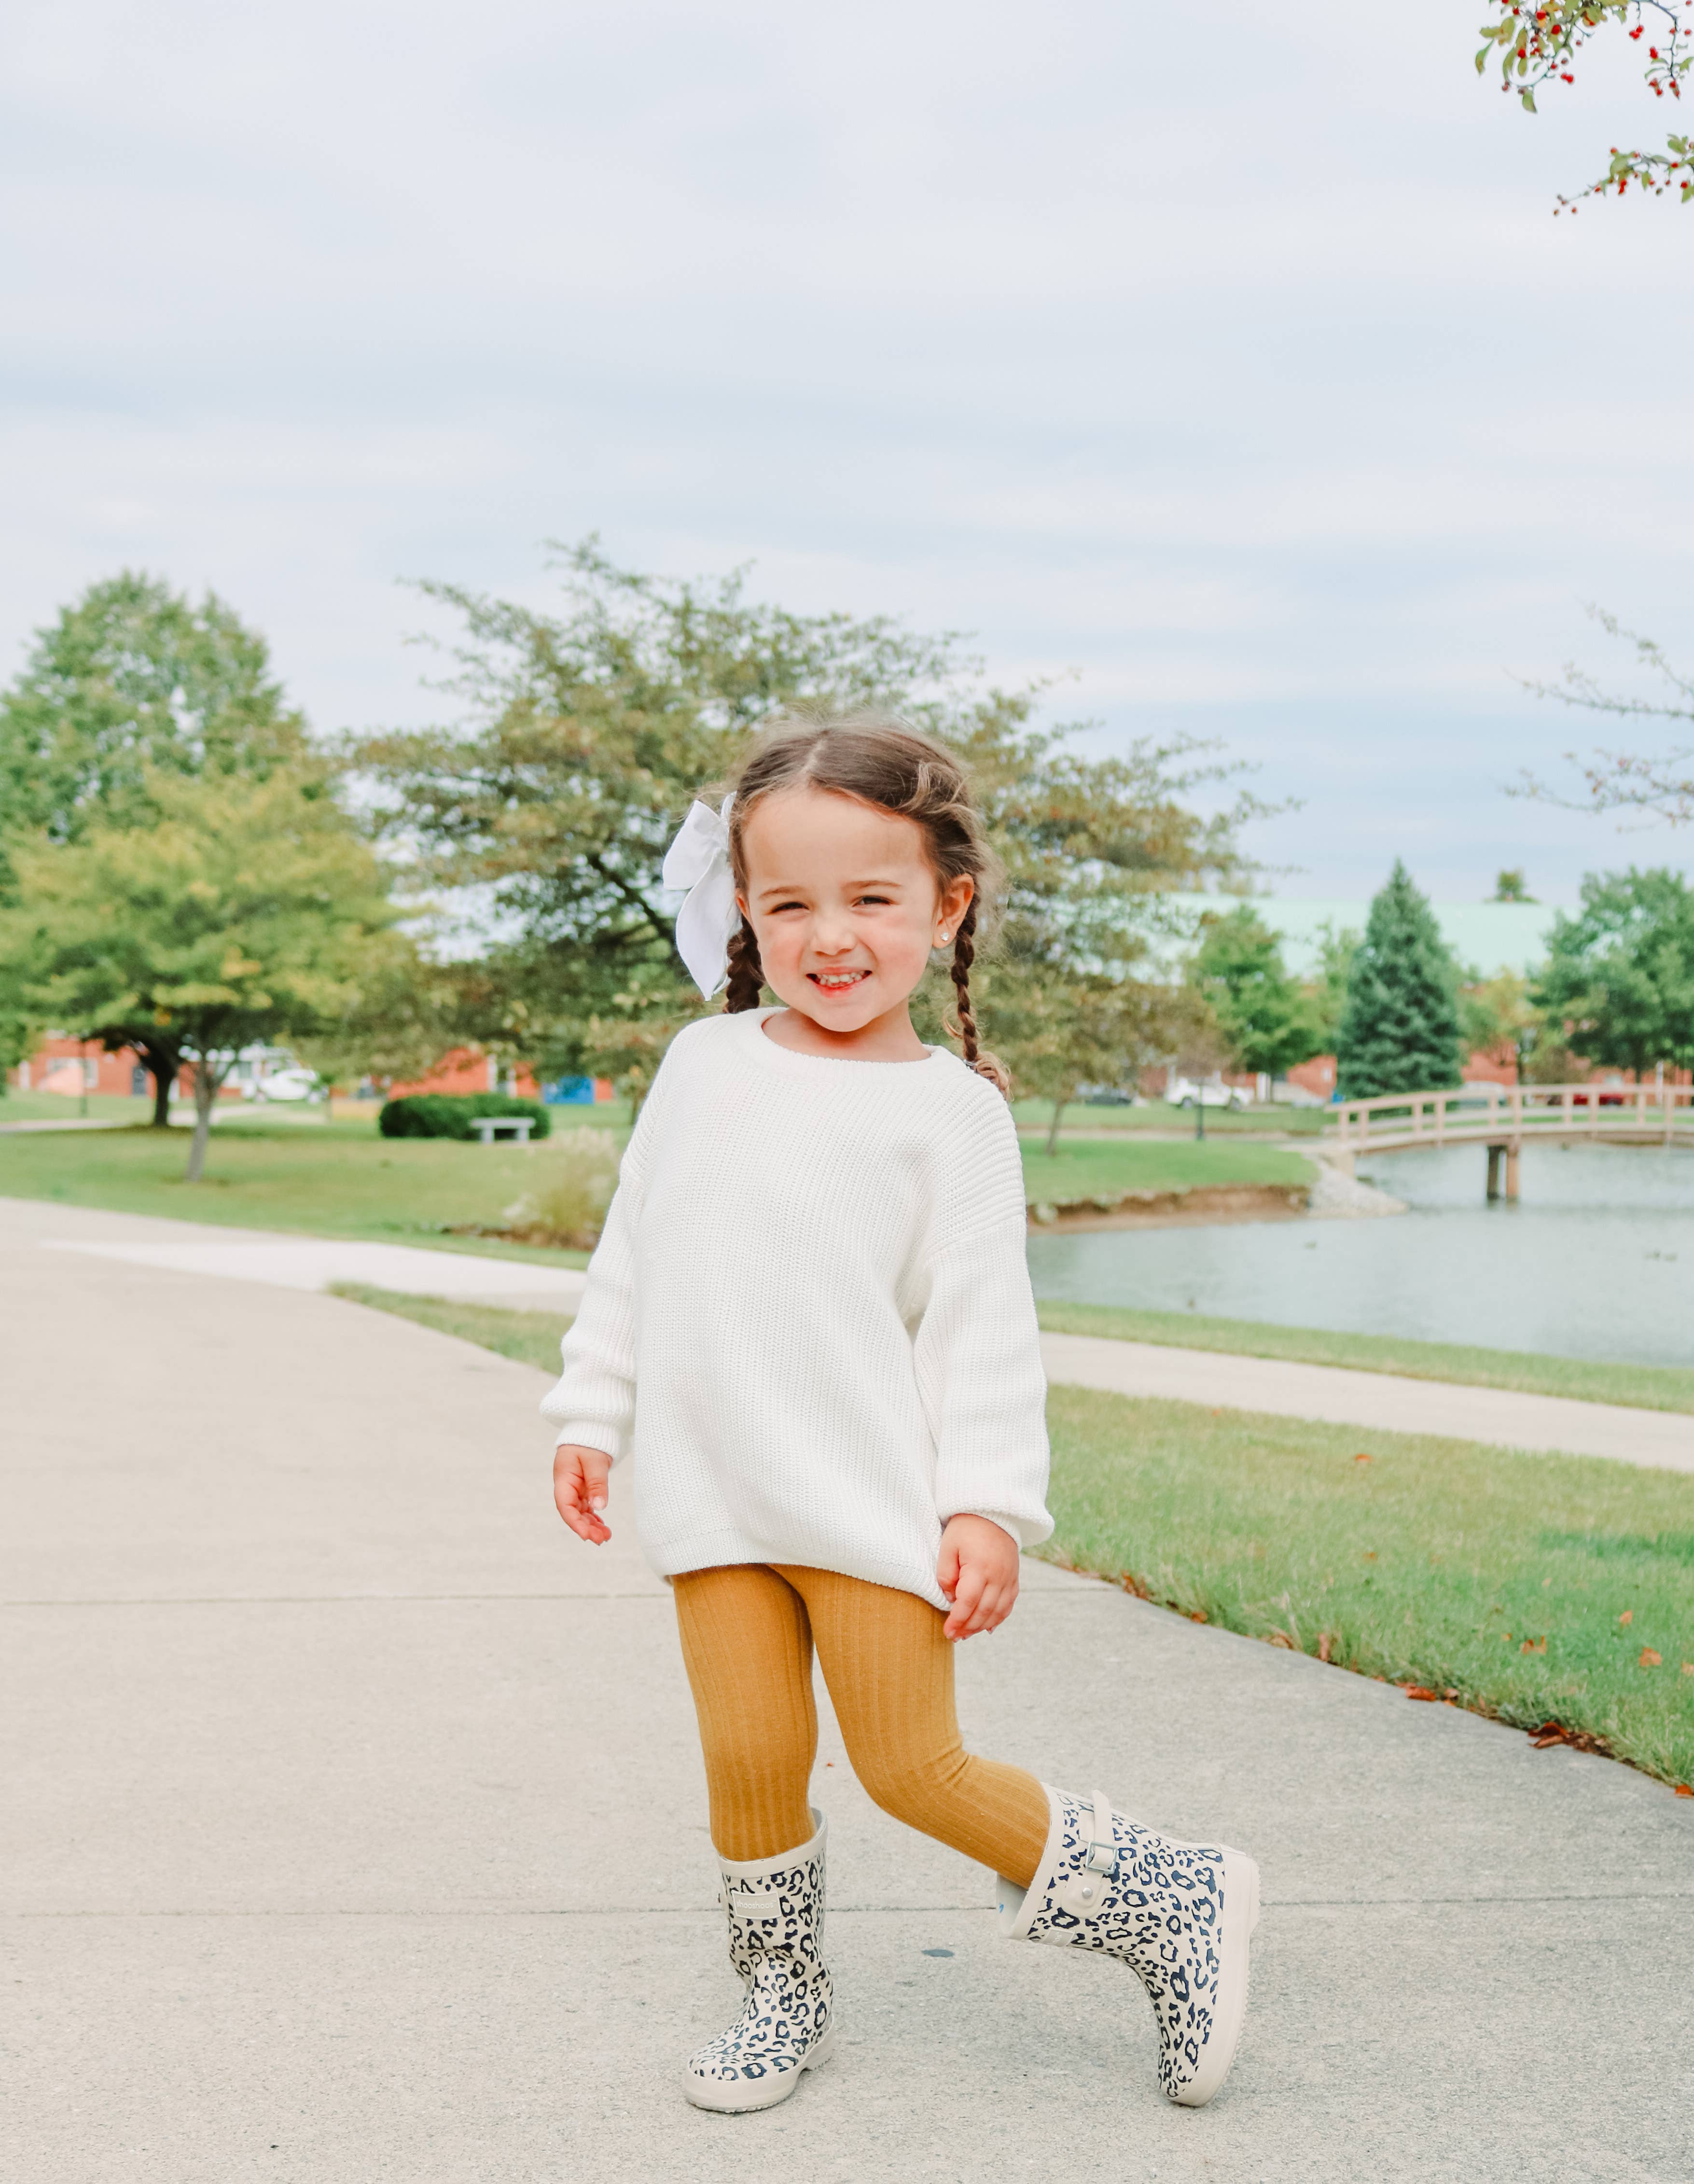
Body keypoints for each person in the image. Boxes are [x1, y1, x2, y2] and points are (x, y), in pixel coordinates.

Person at [545, 711, 1259, 2114]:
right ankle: (782, 2000)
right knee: (749, 1765)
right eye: (790, 902)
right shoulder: (706, 1067)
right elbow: (635, 1253)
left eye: (872, 900)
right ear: (743, 909)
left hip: (860, 1498)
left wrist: (987, 1504)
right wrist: (591, 1409)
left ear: (947, 905)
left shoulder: (954, 1115)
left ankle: (1175, 1898)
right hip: (709, 1496)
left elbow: (985, 1330)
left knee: (913, 1768)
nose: (832, 937)